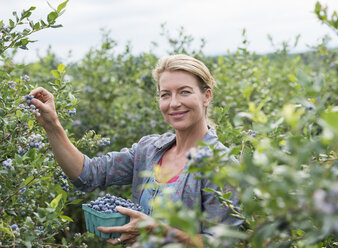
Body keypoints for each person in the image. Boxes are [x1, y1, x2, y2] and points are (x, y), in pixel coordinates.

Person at [29, 54, 242, 247]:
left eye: (184, 92)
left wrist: (158, 231)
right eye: (165, 95)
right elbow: (88, 174)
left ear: (206, 96)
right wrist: (52, 124)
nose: (174, 103)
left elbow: (223, 243)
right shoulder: (148, 151)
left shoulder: (221, 166)